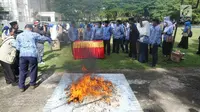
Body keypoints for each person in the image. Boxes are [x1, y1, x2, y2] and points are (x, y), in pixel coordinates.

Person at [15, 24, 52, 92]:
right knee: (33, 69)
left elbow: (17, 47)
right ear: (31, 29)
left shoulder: (19, 36)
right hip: (32, 54)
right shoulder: (34, 34)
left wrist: (22, 49)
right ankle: (32, 84)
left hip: (23, 55)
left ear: (25, 28)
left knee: (22, 71)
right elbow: (42, 38)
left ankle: (21, 87)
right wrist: (48, 39)